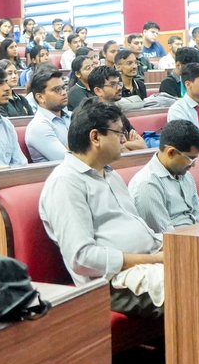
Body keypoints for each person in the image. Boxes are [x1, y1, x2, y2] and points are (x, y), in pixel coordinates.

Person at [39, 100, 163, 318]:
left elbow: (136, 228)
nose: (124, 140)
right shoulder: (66, 183)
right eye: (119, 133)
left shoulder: (109, 174)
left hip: (146, 263)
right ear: (95, 137)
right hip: (113, 283)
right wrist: (156, 259)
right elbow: (82, 258)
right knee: (196, 284)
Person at [128, 119, 199, 233]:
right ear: (171, 153)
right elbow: (165, 236)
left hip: (198, 236)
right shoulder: (147, 185)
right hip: (178, 241)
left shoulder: (185, 175)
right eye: (190, 158)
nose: (193, 164)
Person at [87, 66, 148, 150]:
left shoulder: (116, 111)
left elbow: (141, 145)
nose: (119, 88)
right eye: (113, 84)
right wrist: (127, 144)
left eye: (119, 83)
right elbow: (104, 148)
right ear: (98, 91)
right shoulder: (89, 116)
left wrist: (122, 145)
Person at [24, 68, 70, 162]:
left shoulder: (72, 116)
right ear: (40, 97)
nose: (64, 93)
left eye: (63, 87)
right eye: (57, 89)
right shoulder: (38, 126)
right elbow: (68, 160)